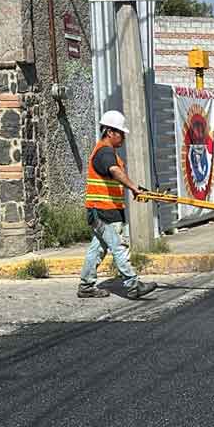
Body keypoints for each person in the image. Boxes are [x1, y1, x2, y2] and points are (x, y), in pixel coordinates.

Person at [78, 110, 158, 299]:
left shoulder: (105, 151)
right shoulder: (105, 152)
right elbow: (115, 171)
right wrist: (133, 188)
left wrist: (135, 188)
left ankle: (86, 285)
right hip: (103, 211)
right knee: (119, 246)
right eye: (120, 133)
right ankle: (132, 285)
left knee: (98, 248)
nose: (123, 137)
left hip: (102, 210)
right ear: (110, 132)